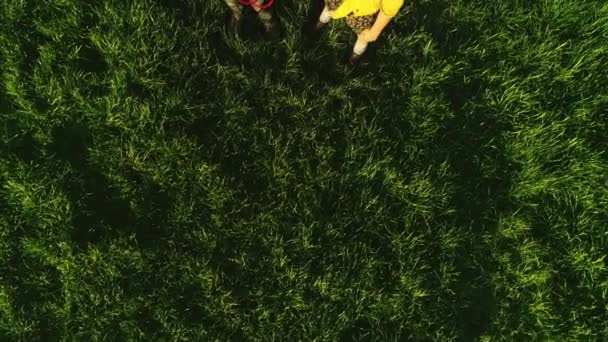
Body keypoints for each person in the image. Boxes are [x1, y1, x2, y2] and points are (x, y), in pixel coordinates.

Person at [314, 0, 405, 64]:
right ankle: (321, 21)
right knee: (329, 9)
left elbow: (388, 9)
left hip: (363, 12)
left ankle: (357, 53)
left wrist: (375, 31)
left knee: (364, 35)